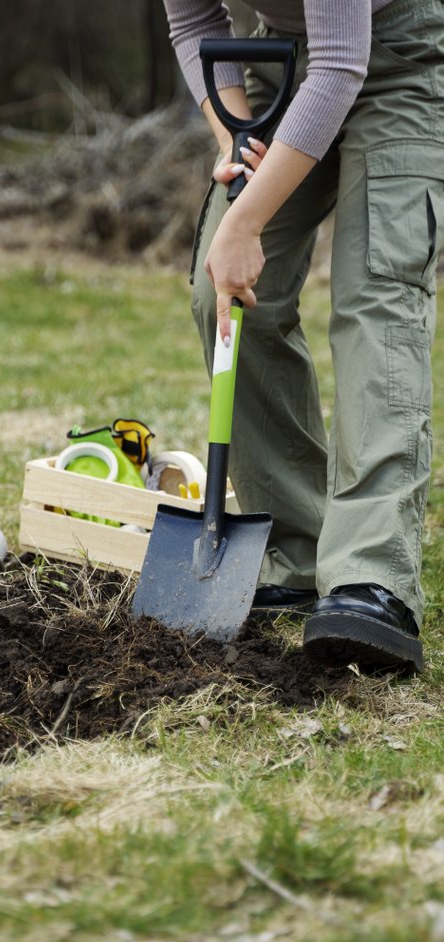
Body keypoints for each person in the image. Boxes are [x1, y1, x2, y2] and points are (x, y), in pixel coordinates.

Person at [162, 0, 444, 674]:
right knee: (223, 299)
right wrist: (230, 135)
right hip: (284, 62)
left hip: (397, 60)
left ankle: (371, 579)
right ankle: (301, 544)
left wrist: (245, 223)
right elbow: (194, 24)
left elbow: (345, 61)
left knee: (378, 293)